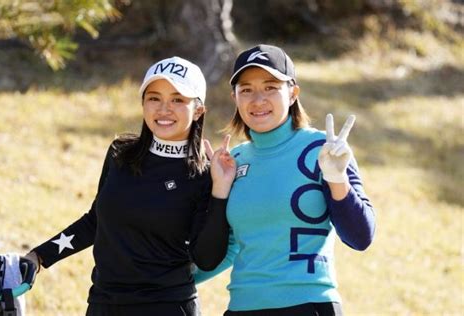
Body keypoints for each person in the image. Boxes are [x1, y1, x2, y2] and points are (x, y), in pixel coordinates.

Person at [23, 56, 237, 316]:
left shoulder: (205, 174)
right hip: (103, 303)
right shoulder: (119, 153)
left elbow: (207, 258)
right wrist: (39, 258)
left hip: (167, 307)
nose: (163, 109)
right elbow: (96, 221)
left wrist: (219, 191)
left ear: (199, 110)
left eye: (177, 100)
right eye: (154, 98)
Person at [204, 44, 376, 316]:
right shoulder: (232, 161)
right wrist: (161, 285)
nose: (257, 99)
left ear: (293, 93)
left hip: (309, 305)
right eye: (246, 89)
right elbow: (230, 248)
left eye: (270, 87)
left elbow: (360, 237)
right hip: (242, 307)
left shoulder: (324, 148)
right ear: (235, 97)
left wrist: (336, 178)